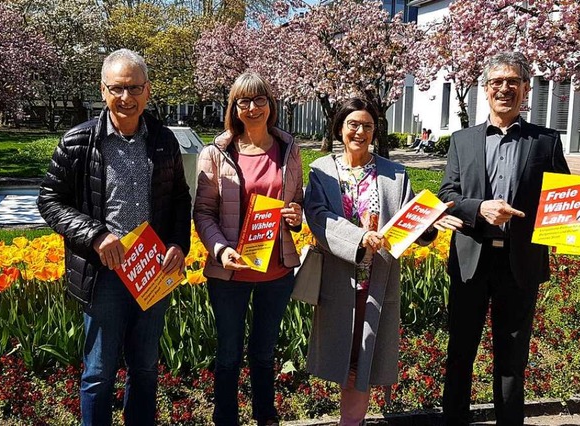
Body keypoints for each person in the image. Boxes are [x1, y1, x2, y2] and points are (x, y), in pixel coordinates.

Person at [438, 51, 580, 426]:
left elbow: (564, 197)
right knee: (460, 352)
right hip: (470, 260)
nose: (505, 89)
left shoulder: (546, 141)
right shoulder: (462, 140)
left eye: (513, 82)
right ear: (485, 89)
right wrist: (479, 209)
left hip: (520, 264)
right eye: (497, 82)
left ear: (526, 89)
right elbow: (448, 195)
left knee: (512, 358)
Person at [37, 49, 192, 426]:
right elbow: (49, 200)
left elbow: (178, 199)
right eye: (118, 89)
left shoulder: (163, 140)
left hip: (151, 268)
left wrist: (177, 244)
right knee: (99, 372)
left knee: (145, 367)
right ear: (103, 91)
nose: (127, 98)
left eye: (135, 88)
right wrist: (95, 236)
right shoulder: (78, 142)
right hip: (103, 271)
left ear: (148, 91)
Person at [304, 97, 462, 426]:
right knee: (343, 359)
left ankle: (351, 423)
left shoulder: (394, 174)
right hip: (338, 280)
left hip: (377, 282)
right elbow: (318, 218)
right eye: (353, 124)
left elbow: (409, 224)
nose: (360, 132)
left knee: (364, 360)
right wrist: (359, 238)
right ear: (339, 128)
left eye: (368, 126)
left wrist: (428, 226)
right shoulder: (321, 170)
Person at [193, 72, 304, 426]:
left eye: (260, 100)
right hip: (230, 271)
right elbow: (203, 212)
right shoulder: (216, 153)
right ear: (234, 108)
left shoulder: (289, 148)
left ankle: (265, 415)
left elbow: (297, 201)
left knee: (264, 352)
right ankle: (225, 418)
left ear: (271, 105)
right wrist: (219, 249)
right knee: (228, 353)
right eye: (244, 101)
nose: (252, 107)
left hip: (276, 269)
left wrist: (295, 215)